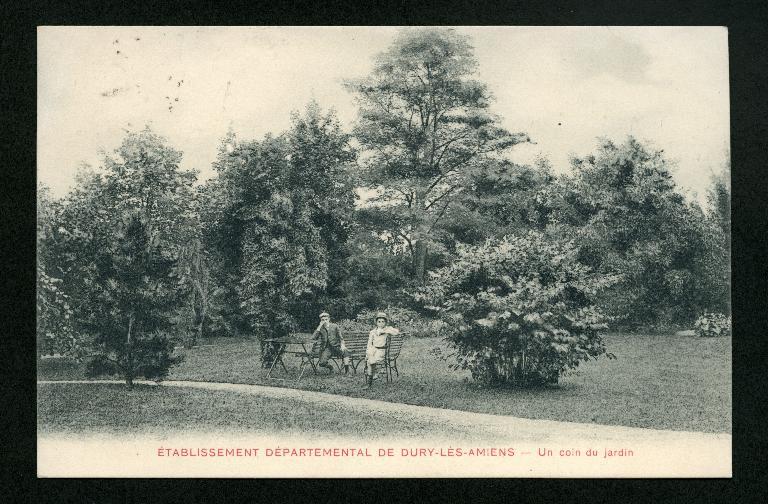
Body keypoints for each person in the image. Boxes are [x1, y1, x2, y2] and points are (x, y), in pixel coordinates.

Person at [363, 312, 398, 388]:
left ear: (385, 322)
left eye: (383, 322)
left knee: (370, 362)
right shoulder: (373, 332)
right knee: (370, 358)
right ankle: (373, 375)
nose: (381, 324)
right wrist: (367, 353)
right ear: (376, 322)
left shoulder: (387, 329)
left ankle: (370, 381)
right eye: (379, 322)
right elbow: (369, 344)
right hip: (373, 349)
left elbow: (396, 332)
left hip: (381, 350)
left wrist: (385, 331)